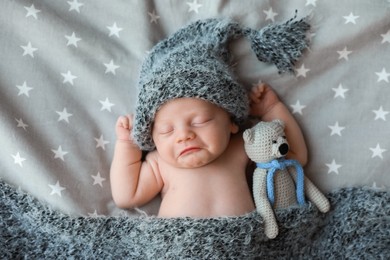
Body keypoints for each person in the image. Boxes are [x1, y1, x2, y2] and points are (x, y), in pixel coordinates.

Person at [110, 17, 310, 218]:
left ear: (231, 122)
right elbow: (126, 196)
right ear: (152, 137)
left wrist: (272, 109)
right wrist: (127, 144)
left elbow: (294, 156)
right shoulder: (161, 163)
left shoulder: (242, 146)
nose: (184, 135)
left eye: (199, 122)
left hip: (242, 241)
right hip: (177, 244)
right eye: (167, 131)